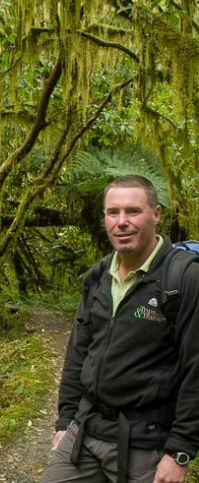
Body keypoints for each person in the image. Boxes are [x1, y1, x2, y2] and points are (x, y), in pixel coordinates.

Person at [41, 175, 199, 483]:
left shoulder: (184, 279)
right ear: (104, 218)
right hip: (86, 430)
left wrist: (180, 451)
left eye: (133, 211)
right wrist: (64, 422)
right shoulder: (98, 276)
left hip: (147, 444)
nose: (122, 221)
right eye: (113, 212)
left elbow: (197, 368)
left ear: (156, 214)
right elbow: (78, 353)